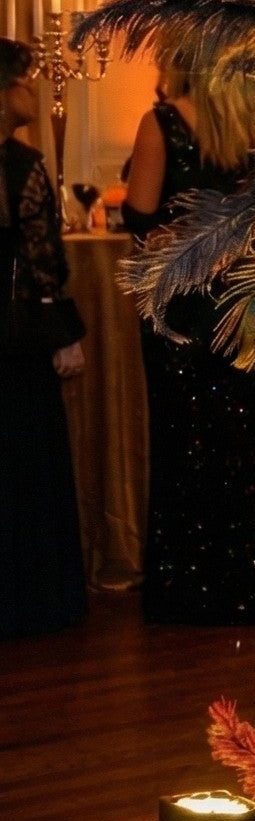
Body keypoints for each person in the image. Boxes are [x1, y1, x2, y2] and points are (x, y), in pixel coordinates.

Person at [124, 55, 255, 626]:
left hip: (180, 302)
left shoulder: (162, 124)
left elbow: (140, 220)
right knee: (248, 438)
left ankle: (189, 587)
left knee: (185, 441)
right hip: (242, 299)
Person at [0, 39, 89, 638]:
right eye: (25, 81)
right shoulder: (23, 167)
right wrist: (65, 335)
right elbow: (44, 265)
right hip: (15, 337)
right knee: (26, 463)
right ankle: (32, 597)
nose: (33, 90)